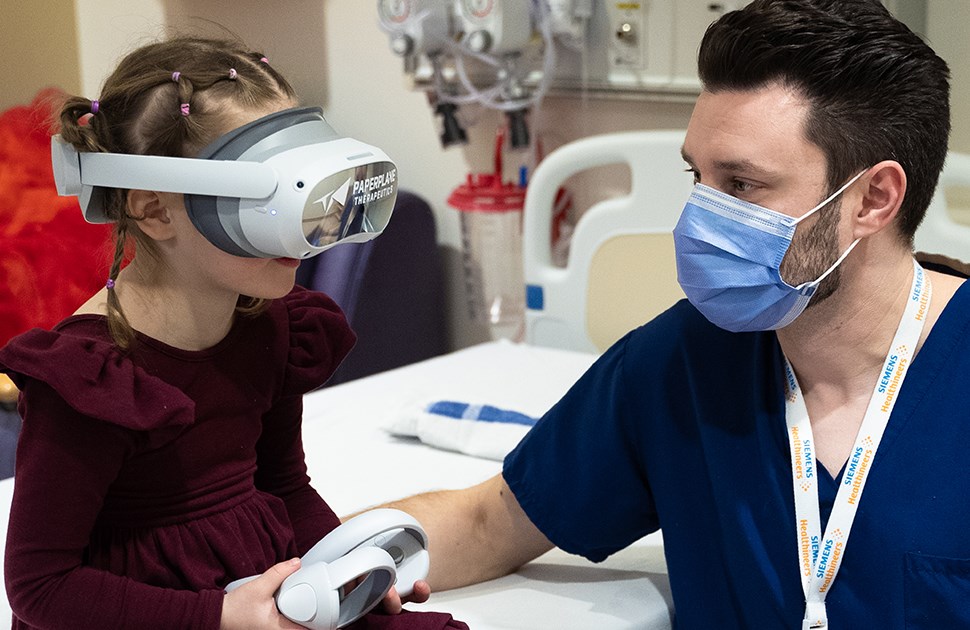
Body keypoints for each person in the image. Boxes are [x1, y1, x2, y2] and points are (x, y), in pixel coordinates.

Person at [380, 1, 970, 627]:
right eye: (699, 177)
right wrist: (296, 563)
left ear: (873, 200)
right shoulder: (679, 365)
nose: (699, 218)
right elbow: (487, 522)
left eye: (741, 186)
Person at [0, 37, 466, 630]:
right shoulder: (92, 380)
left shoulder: (267, 325)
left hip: (254, 589)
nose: (308, 235)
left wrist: (356, 568)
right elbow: (40, 589)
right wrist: (217, 616)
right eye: (272, 204)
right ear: (156, 209)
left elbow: (285, 487)